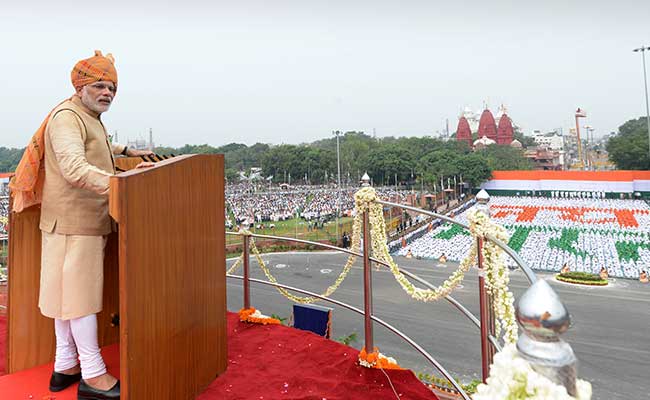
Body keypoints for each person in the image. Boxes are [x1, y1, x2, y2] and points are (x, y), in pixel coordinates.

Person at [14, 51, 153, 400]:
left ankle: (66, 366)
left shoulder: (86, 116)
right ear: (80, 86)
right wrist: (123, 182)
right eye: (100, 86)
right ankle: (93, 374)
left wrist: (129, 152)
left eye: (113, 88)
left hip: (77, 222)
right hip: (73, 224)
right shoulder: (67, 118)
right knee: (79, 301)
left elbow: (100, 145)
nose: (107, 93)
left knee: (66, 299)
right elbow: (75, 168)